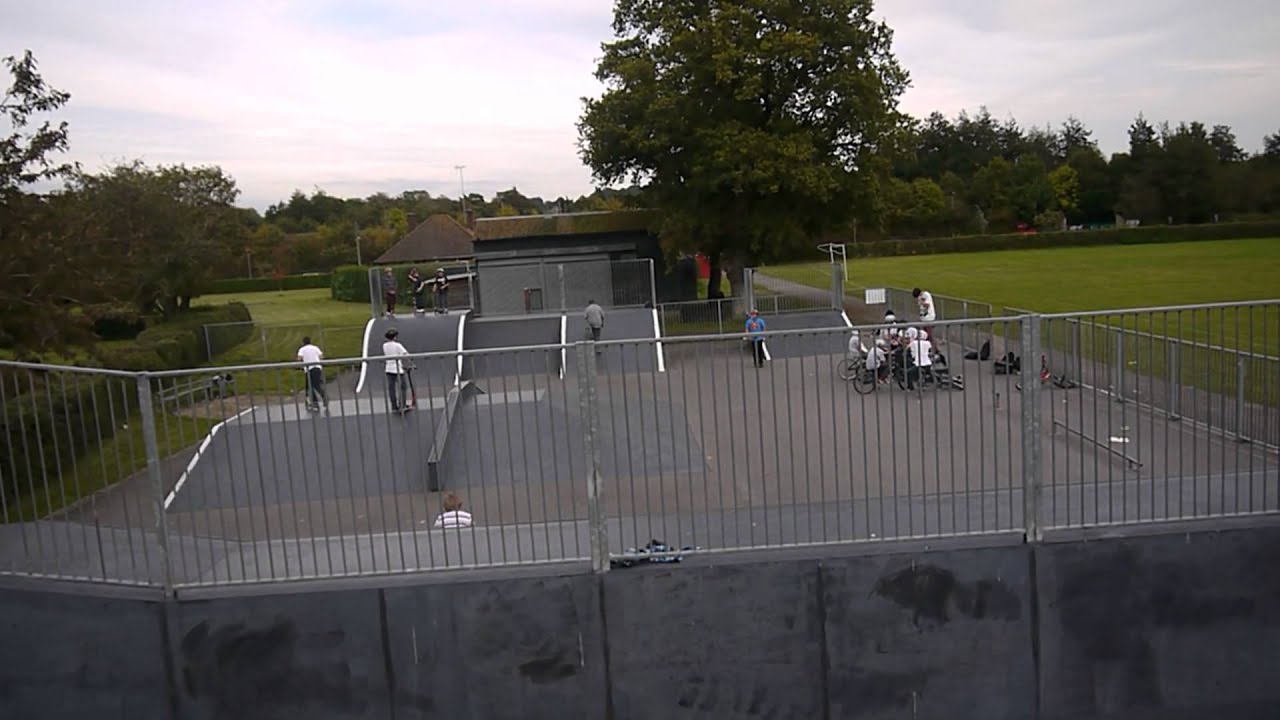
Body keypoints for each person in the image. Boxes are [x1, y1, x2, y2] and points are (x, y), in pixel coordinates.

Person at [296, 337, 329, 413]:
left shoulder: (302, 349)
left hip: (309, 369)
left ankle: (317, 400)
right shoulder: (315, 348)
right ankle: (320, 398)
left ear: (303, 342)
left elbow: (299, 358)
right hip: (317, 367)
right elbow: (321, 356)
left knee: (310, 386)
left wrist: (301, 364)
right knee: (314, 385)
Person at [382, 328, 411, 413]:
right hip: (397, 369)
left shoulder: (384, 345)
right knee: (403, 387)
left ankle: (394, 406)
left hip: (388, 368)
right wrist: (410, 364)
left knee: (392, 388)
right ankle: (402, 405)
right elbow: (405, 354)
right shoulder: (398, 345)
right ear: (395, 337)